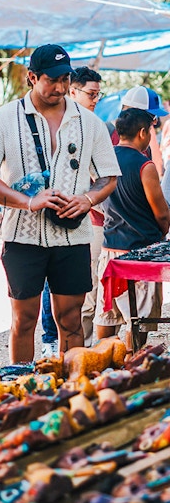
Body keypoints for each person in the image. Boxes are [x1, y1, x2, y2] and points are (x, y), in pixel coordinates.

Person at [0, 44, 120, 363]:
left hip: (73, 237)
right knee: (23, 321)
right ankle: (23, 392)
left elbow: (109, 176)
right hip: (22, 237)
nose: (60, 87)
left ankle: (71, 391)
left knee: (71, 318)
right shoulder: (4, 118)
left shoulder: (89, 122)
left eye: (65, 79)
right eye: (51, 79)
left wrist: (86, 200)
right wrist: (27, 201)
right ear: (31, 78)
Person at [41, 66, 112, 354]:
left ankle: (74, 351)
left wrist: (89, 198)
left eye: (98, 94)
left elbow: (107, 175)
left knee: (76, 293)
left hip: (84, 221)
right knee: (49, 286)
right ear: (74, 91)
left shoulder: (96, 126)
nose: (95, 99)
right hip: (47, 215)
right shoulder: (49, 123)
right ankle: (49, 340)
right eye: (91, 94)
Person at [94, 108, 170, 352]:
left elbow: (93, 200)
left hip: (110, 249)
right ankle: (131, 362)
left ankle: (103, 358)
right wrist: (162, 231)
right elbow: (161, 213)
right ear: (142, 132)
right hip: (140, 254)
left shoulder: (104, 159)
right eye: (150, 131)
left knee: (107, 314)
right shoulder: (144, 165)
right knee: (139, 320)